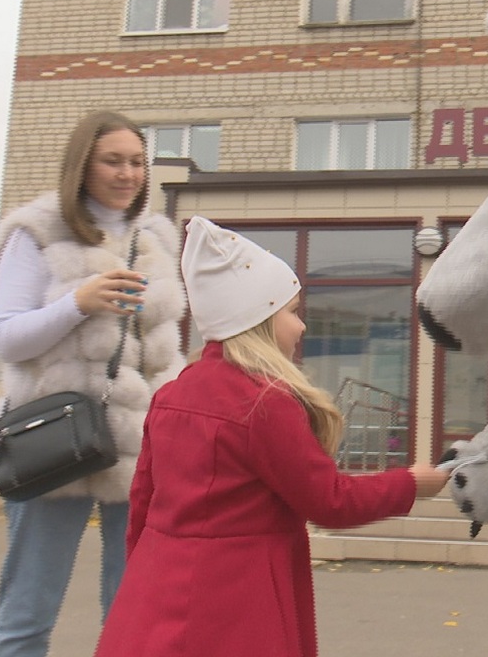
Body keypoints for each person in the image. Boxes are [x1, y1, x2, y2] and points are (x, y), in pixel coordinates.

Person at [93, 217, 450, 657]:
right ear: (258, 317)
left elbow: (142, 506)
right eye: (293, 312)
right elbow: (330, 501)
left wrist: (141, 584)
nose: (301, 327)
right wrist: (412, 483)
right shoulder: (264, 404)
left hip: (155, 593)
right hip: (238, 604)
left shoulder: (172, 394)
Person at [0, 110, 187, 657]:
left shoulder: (155, 237)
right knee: (28, 612)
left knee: (134, 615)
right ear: (81, 165)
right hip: (54, 445)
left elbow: (166, 353)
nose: (128, 174)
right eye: (112, 161)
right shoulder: (36, 230)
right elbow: (6, 338)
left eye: (137, 162)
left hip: (141, 451)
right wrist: (78, 303)